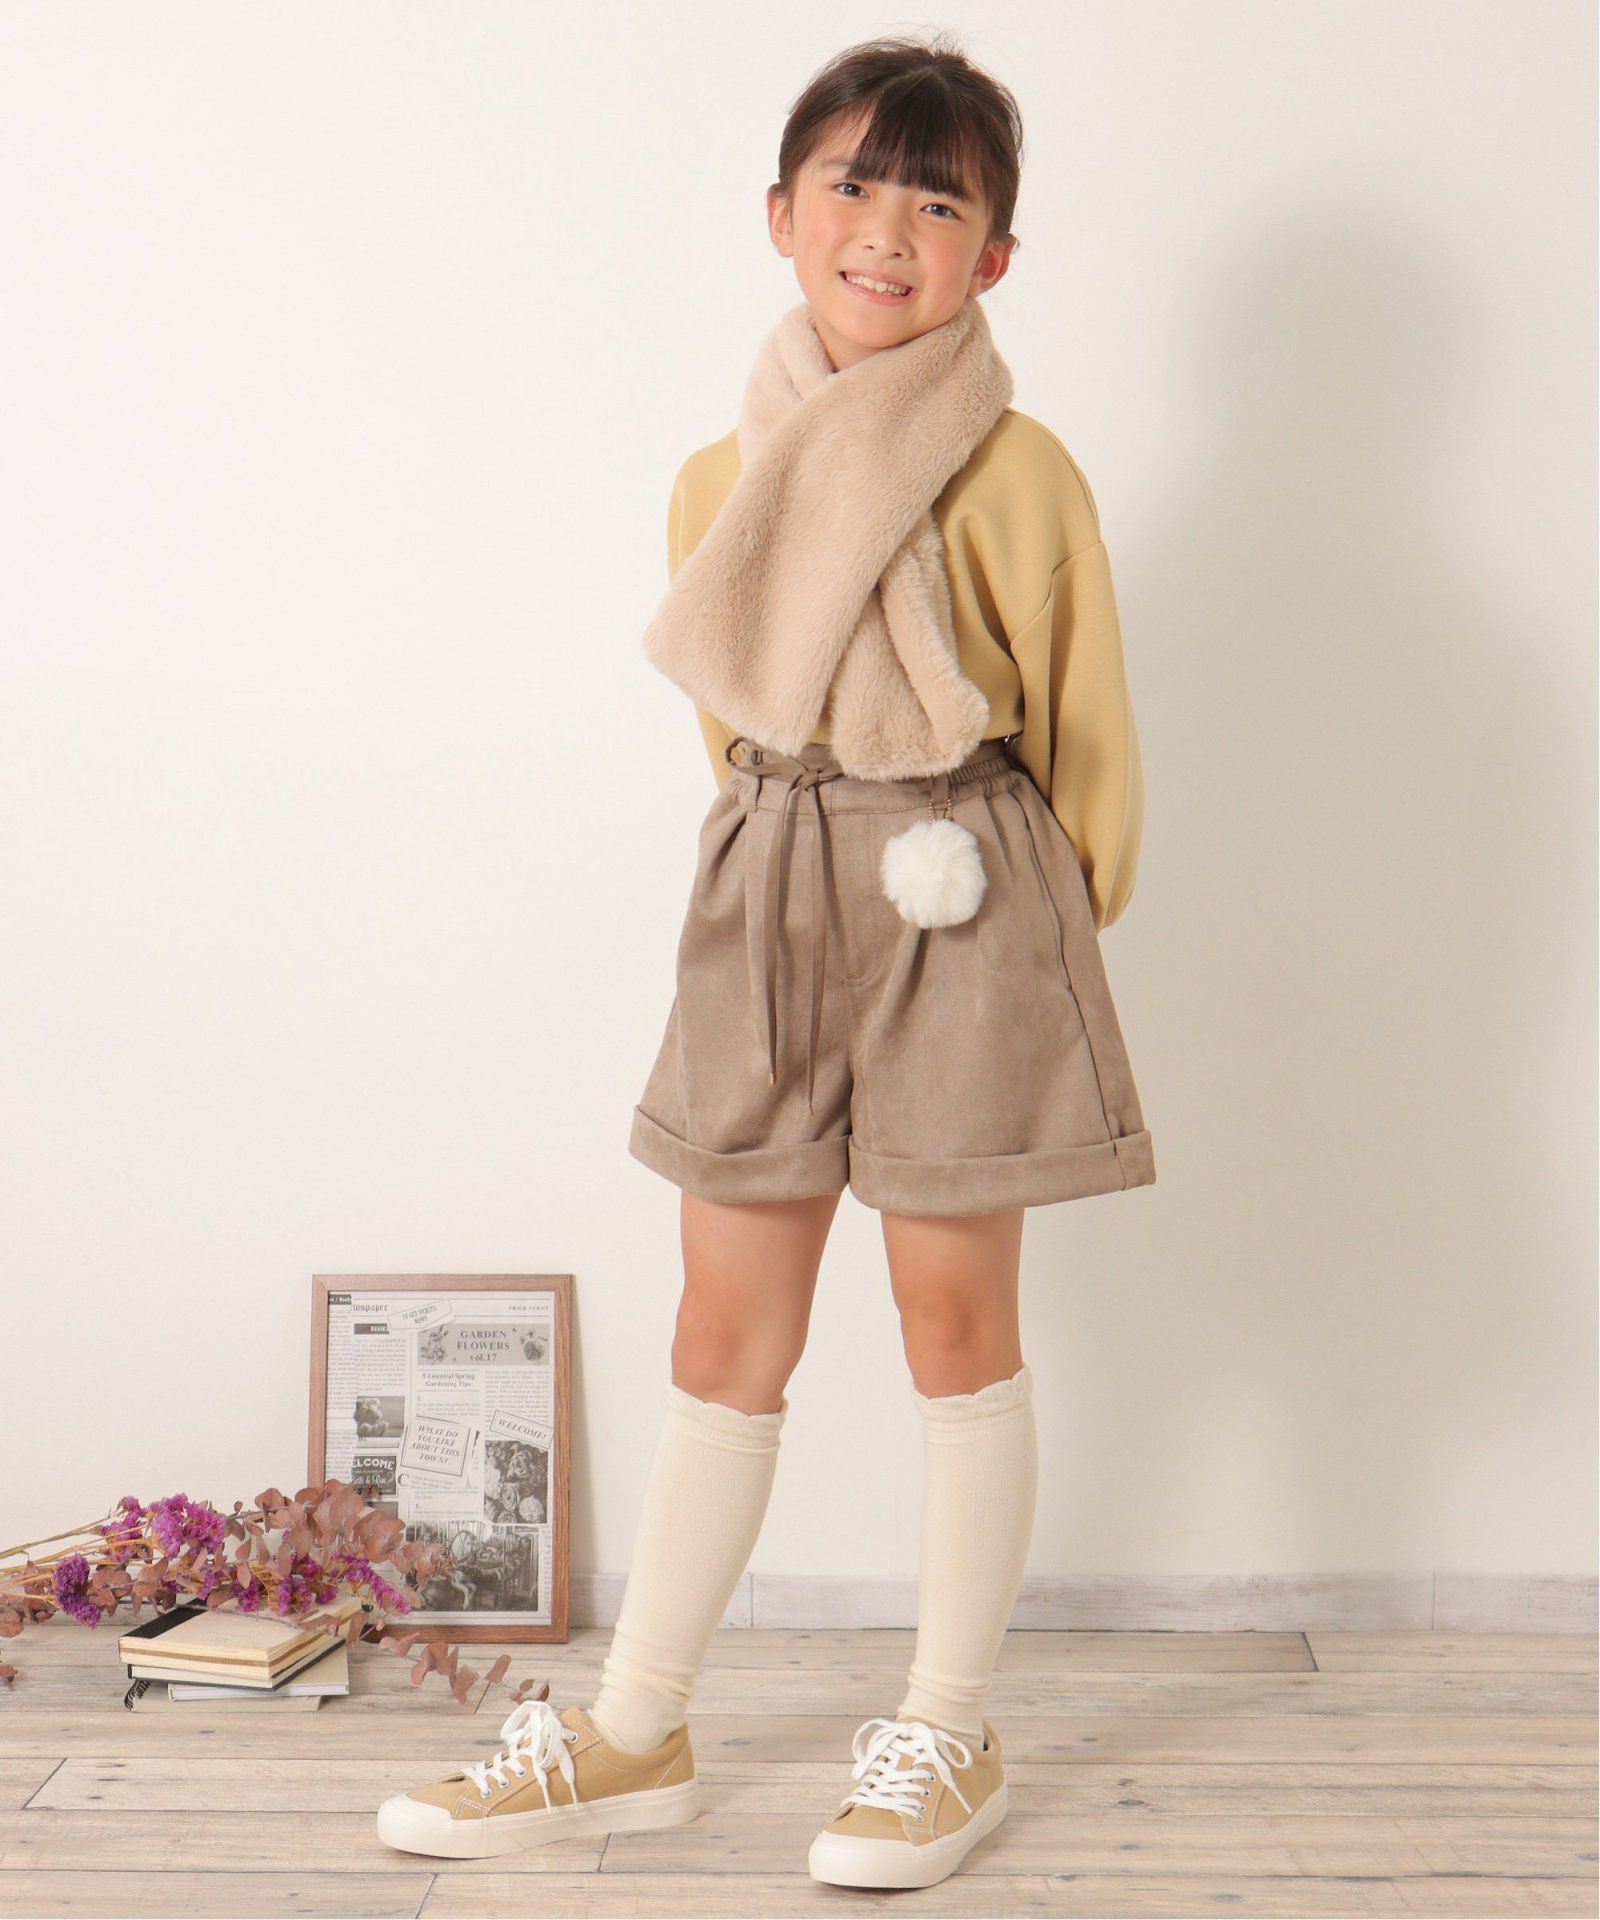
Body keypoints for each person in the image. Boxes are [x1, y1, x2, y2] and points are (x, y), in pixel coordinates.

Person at [378, 32, 1154, 1890]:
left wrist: (1028, 935)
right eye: (853, 186)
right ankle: (635, 1729)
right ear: (784, 215)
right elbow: (734, 717)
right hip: (771, 881)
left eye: (939, 203)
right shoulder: (717, 472)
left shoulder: (1022, 469)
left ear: (994, 256)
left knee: (954, 1324)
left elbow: (1089, 737)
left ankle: (948, 1729)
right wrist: (783, 868)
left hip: (965, 890)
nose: (888, 229)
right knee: (723, 1328)